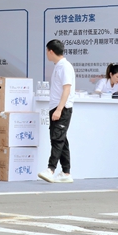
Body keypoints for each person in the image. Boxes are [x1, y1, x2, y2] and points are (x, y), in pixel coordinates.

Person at [39, 39, 76, 184]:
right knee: (62, 140)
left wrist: (59, 109)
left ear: (51, 51)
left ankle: (51, 169)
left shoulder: (65, 67)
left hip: (62, 108)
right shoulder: (58, 66)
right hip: (56, 107)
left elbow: (67, 89)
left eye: (47, 51)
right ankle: (66, 172)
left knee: (57, 139)